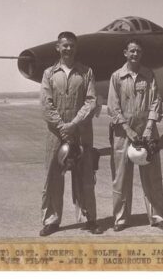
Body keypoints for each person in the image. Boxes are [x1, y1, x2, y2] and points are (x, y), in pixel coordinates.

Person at [40, 31, 102, 236]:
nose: (68, 49)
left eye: (71, 45)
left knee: (85, 176)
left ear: (76, 48)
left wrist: (74, 124)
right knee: (53, 177)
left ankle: (89, 218)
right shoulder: (49, 73)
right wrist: (62, 127)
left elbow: (91, 101)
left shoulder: (86, 72)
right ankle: (51, 220)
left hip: (82, 132)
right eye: (64, 45)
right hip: (55, 135)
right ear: (57, 47)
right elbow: (46, 104)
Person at [107, 39, 163, 232]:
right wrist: (128, 129)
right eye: (132, 51)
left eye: (138, 51)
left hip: (147, 129)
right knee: (121, 177)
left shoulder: (149, 75)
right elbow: (113, 107)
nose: (135, 54)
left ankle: (157, 216)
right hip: (123, 131)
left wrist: (149, 127)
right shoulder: (116, 76)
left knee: (152, 176)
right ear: (125, 53)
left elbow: (156, 101)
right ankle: (120, 219)